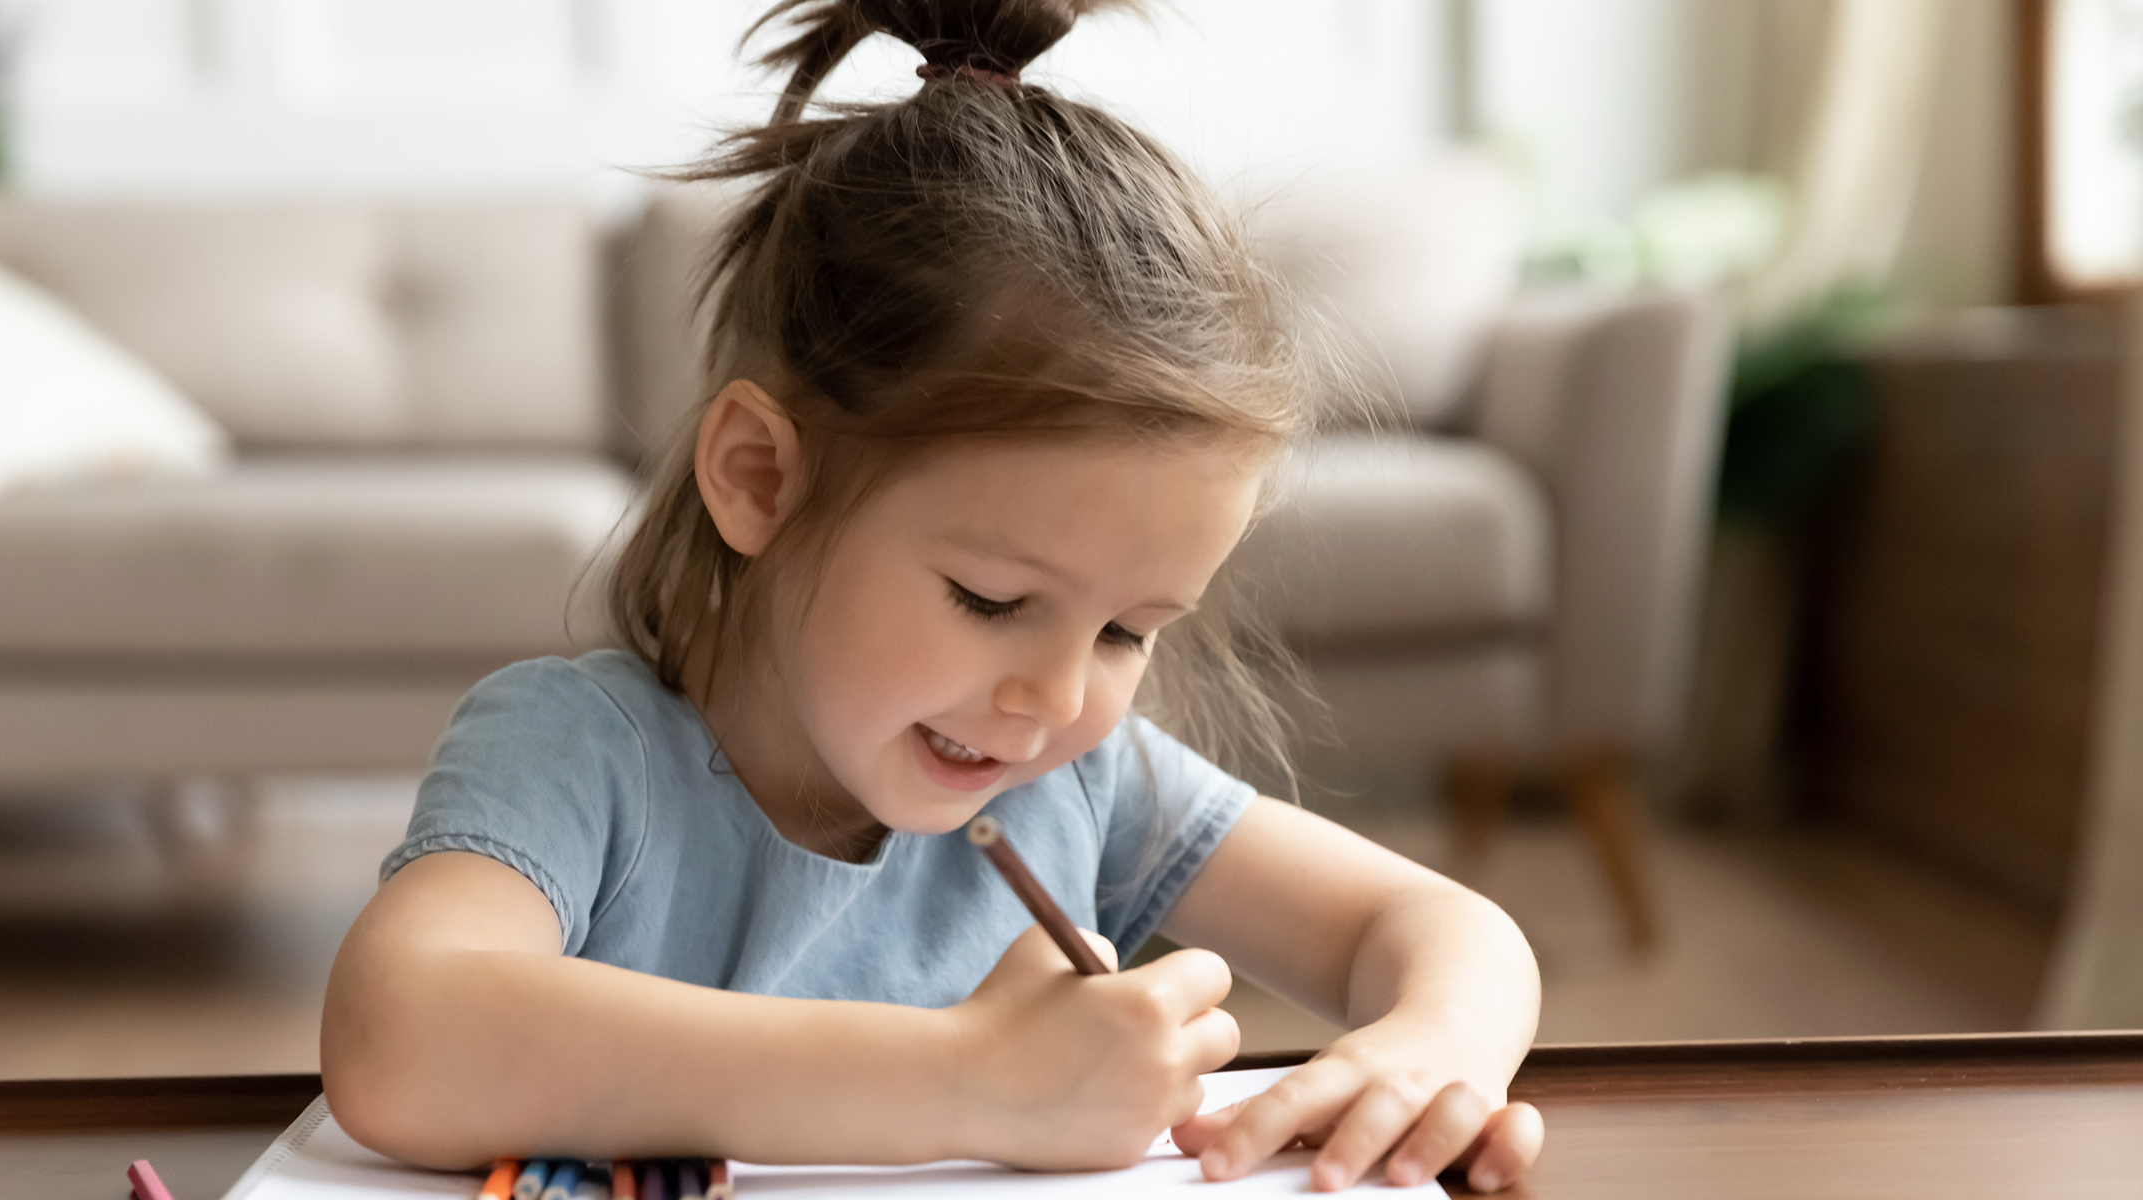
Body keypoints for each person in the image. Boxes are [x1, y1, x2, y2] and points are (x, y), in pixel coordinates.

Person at [321, 0, 1545, 1192]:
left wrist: (1437, 1045)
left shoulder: (1078, 783)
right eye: (991, 598)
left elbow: (1440, 929)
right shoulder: (576, 755)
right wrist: (968, 1081)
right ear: (761, 480)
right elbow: (398, 1039)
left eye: (1126, 631)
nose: (1057, 698)